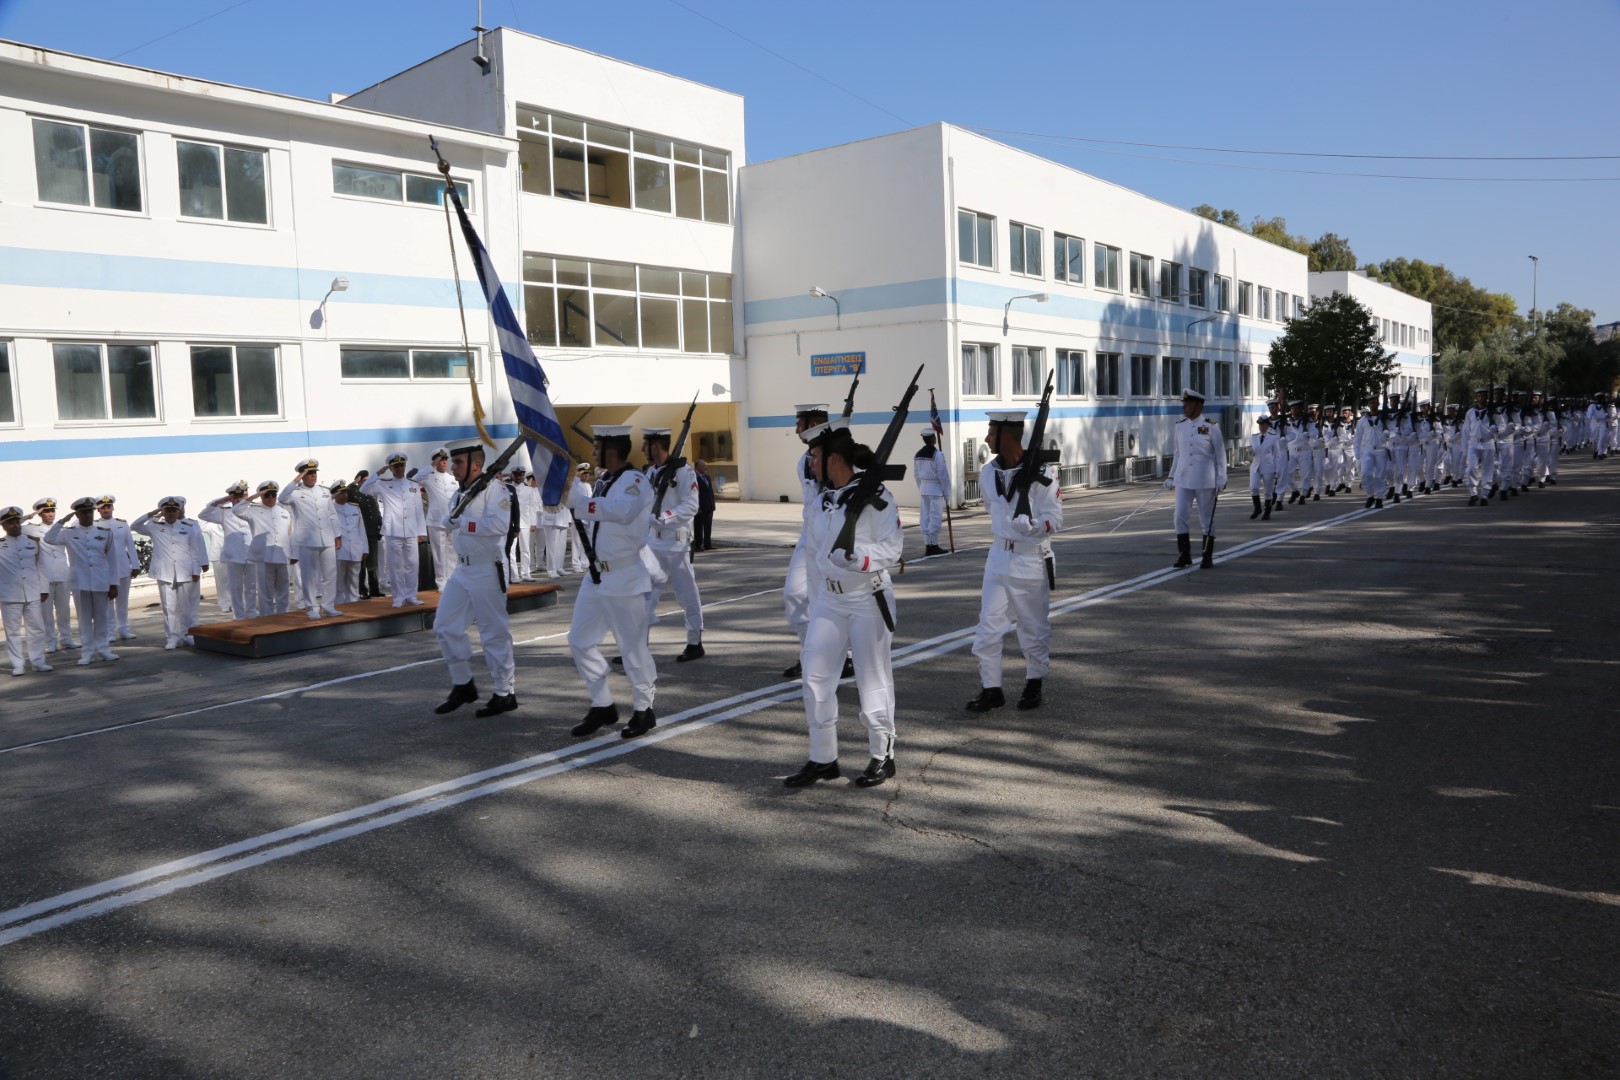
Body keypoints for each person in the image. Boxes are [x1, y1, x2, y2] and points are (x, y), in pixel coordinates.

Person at [783, 418, 902, 788]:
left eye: (815, 456)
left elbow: (893, 548)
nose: (811, 463)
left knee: (872, 678)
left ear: (834, 459)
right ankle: (823, 758)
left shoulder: (877, 496)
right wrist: (817, 600)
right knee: (815, 674)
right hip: (830, 600)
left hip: (867, 597)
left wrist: (861, 559)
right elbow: (815, 557)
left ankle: (882, 755)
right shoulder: (821, 502)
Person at [964, 410, 1062, 714]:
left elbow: (1055, 518)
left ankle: (1034, 682)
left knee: (1033, 628)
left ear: (1007, 436)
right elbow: (992, 508)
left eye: (991, 432)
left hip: (1030, 559)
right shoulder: (987, 473)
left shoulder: (1043, 472)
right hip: (998, 558)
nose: (986, 438)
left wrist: (1035, 526)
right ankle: (991, 688)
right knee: (988, 627)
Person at [565, 425, 658, 740]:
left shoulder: (635, 481)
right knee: (580, 640)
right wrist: (571, 492)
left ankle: (644, 709)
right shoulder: (605, 480)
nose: (593, 453)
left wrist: (579, 503)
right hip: (595, 576)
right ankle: (602, 703)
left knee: (632, 647)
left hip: (623, 576)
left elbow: (623, 511)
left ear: (611, 450)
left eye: (597, 447)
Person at [432, 442, 519, 718]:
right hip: (463, 570)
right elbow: (453, 521)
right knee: (445, 626)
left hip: (487, 568)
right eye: (453, 461)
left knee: (493, 633)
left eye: (458, 462)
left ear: (476, 465)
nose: (453, 466)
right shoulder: (460, 493)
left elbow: (500, 525)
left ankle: (505, 693)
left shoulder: (495, 489)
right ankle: (463, 684)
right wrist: (449, 521)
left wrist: (463, 524)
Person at [642, 427, 705, 662]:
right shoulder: (651, 472)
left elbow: (691, 506)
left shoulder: (685, 472)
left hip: (677, 545)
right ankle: (637, 646)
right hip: (652, 544)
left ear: (656, 446)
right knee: (644, 596)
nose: (642, 448)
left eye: (646, 444)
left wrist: (665, 517)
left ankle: (695, 642)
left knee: (687, 595)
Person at [782, 404, 830, 679]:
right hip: (808, 535)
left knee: (831, 599)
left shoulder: (841, 456)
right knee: (795, 593)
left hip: (832, 538)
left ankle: (844, 656)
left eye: (799, 424)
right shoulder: (803, 461)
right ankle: (809, 653)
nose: (796, 429)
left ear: (812, 425)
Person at [44, 497, 119, 665]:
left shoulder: (105, 532)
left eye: (90, 512)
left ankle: (103, 649)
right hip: (80, 582)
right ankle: (87, 653)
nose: (87, 515)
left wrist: (114, 584)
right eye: (83, 512)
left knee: (101, 617)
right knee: (84, 619)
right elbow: (48, 539)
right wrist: (62, 521)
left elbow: (112, 560)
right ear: (77, 514)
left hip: (101, 580)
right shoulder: (68, 533)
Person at [133, 495, 209, 649]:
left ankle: (187, 635)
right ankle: (172, 637)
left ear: (178, 511)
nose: (171, 513)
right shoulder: (154, 526)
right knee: (169, 608)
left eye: (174, 510)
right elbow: (135, 526)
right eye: (167, 510)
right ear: (163, 511)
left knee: (186, 607)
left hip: (185, 571)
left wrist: (196, 570)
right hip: (165, 572)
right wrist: (153, 513)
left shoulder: (188, 526)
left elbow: (194, 550)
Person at [1167, 389, 1227, 569]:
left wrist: (1221, 477)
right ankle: (1184, 555)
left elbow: (1220, 454)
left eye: (1188, 404)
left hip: (1204, 479)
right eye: (1184, 404)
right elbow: (1178, 454)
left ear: (1198, 406)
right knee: (1179, 515)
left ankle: (1206, 555)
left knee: (1206, 519)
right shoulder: (1180, 426)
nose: (1184, 407)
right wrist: (1171, 475)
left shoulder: (1211, 426)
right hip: (1183, 478)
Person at [361, 453, 427, 607]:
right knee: (395, 566)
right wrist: (378, 473)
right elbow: (364, 489)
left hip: (411, 530)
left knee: (412, 565)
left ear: (405, 466)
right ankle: (398, 597)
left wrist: (421, 531)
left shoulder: (413, 485)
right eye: (395, 466)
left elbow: (418, 509)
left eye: (401, 465)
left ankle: (411, 595)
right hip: (393, 530)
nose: (399, 468)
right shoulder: (383, 484)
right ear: (390, 468)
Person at [281, 458, 344, 619]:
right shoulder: (295, 493)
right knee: (309, 576)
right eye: (309, 473)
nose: (313, 475)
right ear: (302, 475)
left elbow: (332, 514)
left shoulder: (324, 491)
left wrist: (337, 535)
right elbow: (282, 498)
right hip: (307, 540)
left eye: (315, 472)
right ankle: (311, 608)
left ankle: (328, 605)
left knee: (330, 575)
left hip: (327, 538)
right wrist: (296, 480)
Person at [0, 505, 52, 675]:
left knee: (37, 628)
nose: (15, 525)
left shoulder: (33, 541)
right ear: (3, 525)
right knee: (13, 632)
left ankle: (38, 661)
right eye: (11, 522)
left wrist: (44, 589)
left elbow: (41, 566)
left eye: (17, 521)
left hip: (33, 592)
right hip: (9, 595)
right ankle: (18, 664)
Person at [25, 498, 77, 652]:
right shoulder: (31, 529)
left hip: (62, 574)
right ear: (40, 513)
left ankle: (66, 639)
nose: (50, 514)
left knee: (64, 611)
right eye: (46, 511)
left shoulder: (63, 529)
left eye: (52, 510)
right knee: (46, 614)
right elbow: (9, 523)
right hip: (44, 577)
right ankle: (50, 642)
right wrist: (31, 515)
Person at [236, 481, 294, 614]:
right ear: (261, 496)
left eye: (273, 495)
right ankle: (266, 618)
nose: (270, 498)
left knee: (283, 590)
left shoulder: (284, 512)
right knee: (265, 592)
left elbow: (290, 534)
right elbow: (236, 510)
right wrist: (254, 496)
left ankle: (283, 616)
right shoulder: (253, 511)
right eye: (267, 495)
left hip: (282, 555)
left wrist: (292, 554)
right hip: (263, 557)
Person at [201, 481, 255, 621]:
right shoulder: (224, 512)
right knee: (236, 587)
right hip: (233, 554)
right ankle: (239, 614)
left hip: (251, 552)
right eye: (235, 497)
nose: (239, 499)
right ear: (231, 497)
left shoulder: (254, 509)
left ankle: (251, 612)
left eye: (242, 496)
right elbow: (203, 515)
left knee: (251, 586)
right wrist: (223, 500)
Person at [96, 494, 139, 639]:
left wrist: (135, 565)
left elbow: (130, 545)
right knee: (107, 602)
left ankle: (124, 628)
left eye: (108, 507)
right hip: (105, 569)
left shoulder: (122, 524)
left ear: (113, 508)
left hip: (123, 567)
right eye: (102, 508)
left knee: (123, 601)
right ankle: (110, 631)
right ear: (98, 510)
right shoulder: (95, 525)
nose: (106, 510)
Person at [421, 447, 460, 590]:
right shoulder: (428, 477)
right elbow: (414, 479)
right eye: (441, 460)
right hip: (436, 520)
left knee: (452, 552)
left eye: (445, 459)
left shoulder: (452, 478)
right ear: (435, 461)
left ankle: (452, 579)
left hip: (451, 520)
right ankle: (441, 582)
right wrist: (430, 467)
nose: (444, 462)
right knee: (439, 553)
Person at [914, 432, 952, 555]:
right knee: (935, 516)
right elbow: (943, 475)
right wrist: (947, 493)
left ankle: (928, 544)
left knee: (925, 517)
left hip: (924, 488)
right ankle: (933, 545)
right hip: (935, 488)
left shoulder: (918, 455)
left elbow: (916, 475)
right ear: (932, 439)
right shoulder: (938, 455)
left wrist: (921, 488)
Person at [348, 470, 384, 598]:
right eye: (364, 480)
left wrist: (380, 527)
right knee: (362, 564)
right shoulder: (354, 494)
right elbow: (346, 491)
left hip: (373, 532)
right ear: (359, 481)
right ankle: (362, 591)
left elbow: (376, 512)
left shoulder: (371, 495)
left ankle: (374, 589)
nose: (367, 482)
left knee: (373, 563)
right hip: (361, 534)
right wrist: (354, 482)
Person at [331, 481, 368, 605]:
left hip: (355, 548)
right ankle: (339, 603)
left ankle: (353, 602)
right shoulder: (329, 509)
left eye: (345, 492)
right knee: (339, 580)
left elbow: (361, 529)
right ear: (335, 494)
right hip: (339, 549)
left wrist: (365, 549)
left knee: (354, 579)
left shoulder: (354, 507)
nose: (344, 495)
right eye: (341, 493)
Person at [1249, 415, 1281, 520]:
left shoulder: (1273, 437)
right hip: (1255, 466)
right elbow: (1253, 451)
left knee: (1268, 491)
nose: (1261, 427)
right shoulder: (1254, 437)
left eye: (1263, 424)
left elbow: (1277, 455)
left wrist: (1277, 470)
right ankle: (1257, 508)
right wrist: (1251, 452)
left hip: (1268, 467)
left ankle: (1267, 511)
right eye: (1260, 424)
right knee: (1253, 487)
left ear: (1267, 425)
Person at [567, 462, 594, 573]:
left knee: (586, 541)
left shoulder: (588, 485)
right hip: (578, 516)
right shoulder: (574, 484)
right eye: (584, 473)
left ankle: (585, 562)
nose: (586, 475)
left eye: (588, 473)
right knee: (577, 541)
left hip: (587, 517)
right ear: (579, 473)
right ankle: (576, 564)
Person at [539, 482, 571, 577]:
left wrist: (569, 519)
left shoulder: (564, 487)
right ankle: (551, 570)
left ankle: (559, 567)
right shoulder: (546, 486)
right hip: (551, 520)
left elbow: (567, 503)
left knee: (561, 545)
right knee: (552, 546)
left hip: (563, 519)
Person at [691, 459, 716, 554]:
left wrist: (713, 504)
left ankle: (708, 544)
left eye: (705, 465)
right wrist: (697, 506)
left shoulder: (707, 477)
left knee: (708, 526)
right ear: (697, 467)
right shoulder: (693, 478)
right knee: (698, 527)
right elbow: (695, 494)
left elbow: (710, 492)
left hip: (709, 506)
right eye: (703, 465)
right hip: (700, 507)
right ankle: (698, 545)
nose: (705, 467)